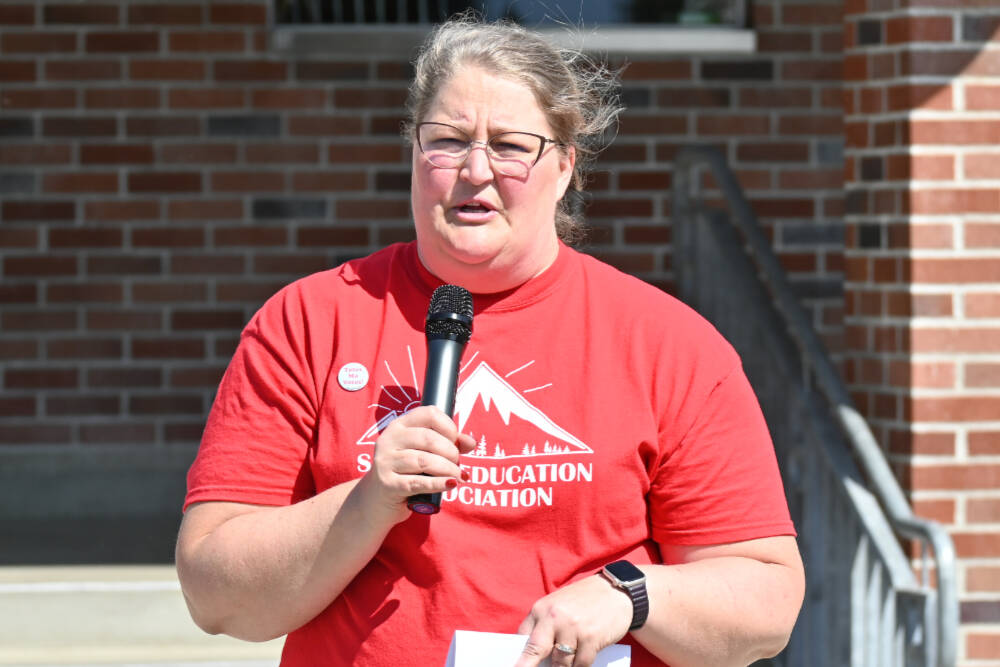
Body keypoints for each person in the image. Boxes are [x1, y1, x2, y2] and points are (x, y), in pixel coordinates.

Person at [175, 14, 804, 667]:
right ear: (415, 155)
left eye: (509, 146)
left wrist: (630, 596)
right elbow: (215, 594)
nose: (476, 169)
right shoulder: (308, 321)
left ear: (564, 167)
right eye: (448, 140)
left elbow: (766, 603)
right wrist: (368, 499)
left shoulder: (668, 343)